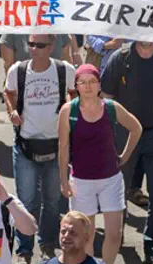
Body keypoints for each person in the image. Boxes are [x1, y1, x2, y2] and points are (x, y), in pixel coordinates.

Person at [100, 41, 153, 262]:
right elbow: (106, 100)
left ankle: (152, 245)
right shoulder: (120, 58)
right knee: (119, 190)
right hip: (124, 134)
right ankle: (116, 237)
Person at [58, 64, 142, 264]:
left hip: (110, 179)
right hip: (81, 181)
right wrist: (63, 180)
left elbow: (136, 128)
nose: (88, 86)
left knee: (114, 233)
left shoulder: (112, 108)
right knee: (86, 235)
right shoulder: (68, 111)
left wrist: (124, 156)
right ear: (76, 86)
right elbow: (63, 147)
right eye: (83, 82)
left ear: (99, 85)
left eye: (92, 82)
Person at [3, 34, 76, 263]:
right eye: (31, 44)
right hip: (25, 146)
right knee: (25, 201)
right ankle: (24, 249)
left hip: (55, 145)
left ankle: (47, 244)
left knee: (52, 201)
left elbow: (74, 93)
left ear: (52, 46)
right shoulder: (18, 70)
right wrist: (12, 111)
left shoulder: (64, 70)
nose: (34, 49)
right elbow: (8, 92)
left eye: (40, 45)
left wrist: (69, 107)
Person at [0, 34, 71, 72]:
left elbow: (65, 60)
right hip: (23, 87)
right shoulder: (13, 29)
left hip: (56, 87)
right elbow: (8, 65)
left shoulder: (60, 28)